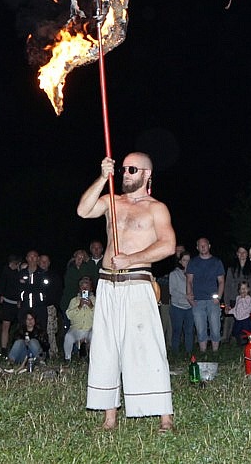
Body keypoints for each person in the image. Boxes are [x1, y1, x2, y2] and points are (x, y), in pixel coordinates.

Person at [76, 153, 175, 433]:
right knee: (106, 348)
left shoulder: (156, 208)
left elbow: (168, 245)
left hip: (137, 283)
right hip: (107, 284)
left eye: (132, 169)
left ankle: (165, 418)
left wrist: (131, 259)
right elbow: (83, 210)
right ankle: (110, 418)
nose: (126, 174)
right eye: (123, 169)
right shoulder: (112, 201)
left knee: (147, 347)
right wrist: (101, 177)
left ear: (147, 174)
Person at [186, 237, 225, 352]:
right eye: (200, 245)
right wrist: (189, 297)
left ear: (209, 246)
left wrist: (219, 296)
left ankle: (215, 352)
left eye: (205, 245)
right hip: (197, 300)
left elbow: (221, 281)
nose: (203, 247)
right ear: (197, 247)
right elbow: (189, 281)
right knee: (200, 328)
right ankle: (203, 353)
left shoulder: (217, 262)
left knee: (215, 328)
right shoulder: (193, 262)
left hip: (213, 300)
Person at [223, 246, 251, 343]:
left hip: (249, 299)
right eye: (240, 252)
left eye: (244, 252)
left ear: (247, 254)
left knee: (249, 321)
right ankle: (233, 340)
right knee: (236, 321)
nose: (242, 254)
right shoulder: (232, 268)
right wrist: (227, 303)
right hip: (234, 298)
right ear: (237, 254)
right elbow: (227, 285)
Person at [167, 252, 194, 354]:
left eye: (188, 260)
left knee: (189, 331)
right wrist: (185, 296)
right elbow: (172, 291)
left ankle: (189, 352)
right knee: (176, 330)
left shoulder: (193, 274)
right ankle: (175, 353)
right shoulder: (174, 274)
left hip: (190, 307)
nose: (187, 262)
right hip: (177, 306)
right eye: (184, 260)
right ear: (180, 261)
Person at [64, 276, 95, 361]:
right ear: (79, 289)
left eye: (87, 286)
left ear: (91, 288)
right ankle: (67, 359)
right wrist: (79, 306)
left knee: (94, 336)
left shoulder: (96, 300)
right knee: (68, 336)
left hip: (90, 329)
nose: (84, 288)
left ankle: (91, 358)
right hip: (76, 329)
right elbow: (69, 315)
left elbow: (100, 317)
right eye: (82, 286)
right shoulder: (74, 301)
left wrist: (91, 306)